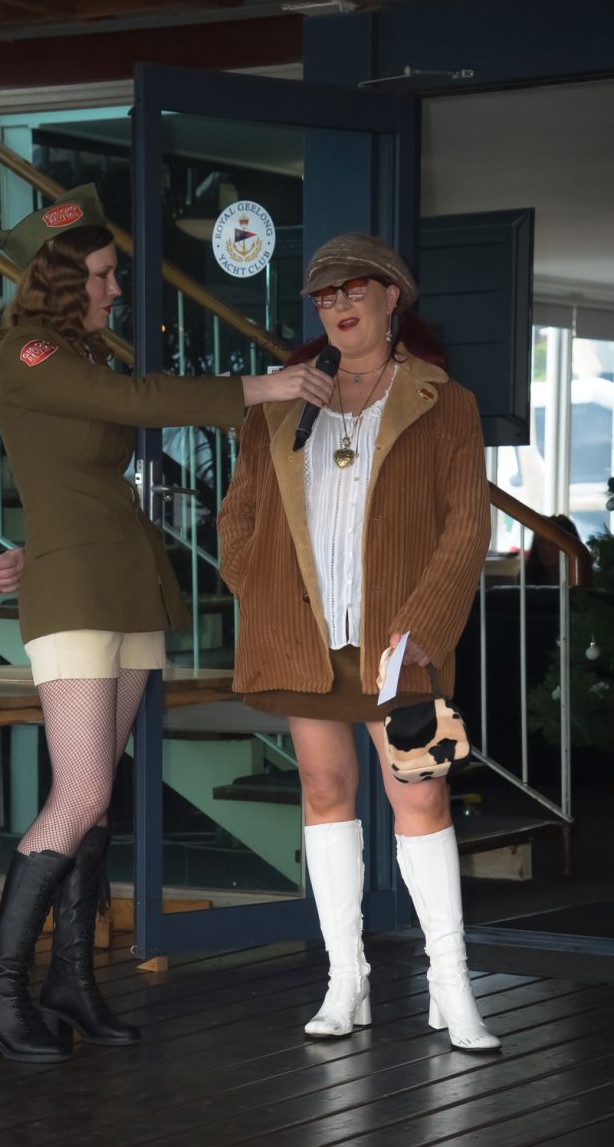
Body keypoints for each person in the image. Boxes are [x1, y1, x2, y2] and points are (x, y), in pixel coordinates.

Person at [0, 185, 334, 1064]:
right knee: (82, 795)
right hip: (77, 593)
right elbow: (132, 401)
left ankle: (71, 982)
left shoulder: (75, 351)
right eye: (101, 274)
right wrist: (261, 386)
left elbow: (77, 472)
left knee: (100, 795)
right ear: (63, 280)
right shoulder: (29, 348)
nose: (114, 287)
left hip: (121, 581)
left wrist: (31, 543)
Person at [216, 232, 501, 1052]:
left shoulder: (443, 400)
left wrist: (426, 624)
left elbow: (466, 526)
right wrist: (258, 589)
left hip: (403, 645)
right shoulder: (282, 400)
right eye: (325, 296)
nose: (338, 306)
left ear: (391, 296)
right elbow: (239, 513)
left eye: (353, 290)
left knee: (423, 796)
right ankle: (347, 980)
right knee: (323, 789)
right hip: (304, 637)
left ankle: (451, 983)